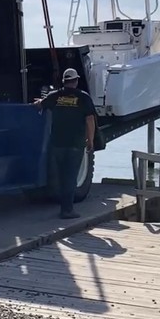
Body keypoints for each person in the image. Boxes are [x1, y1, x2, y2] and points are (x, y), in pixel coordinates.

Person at [33, 68, 96, 219]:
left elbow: (40, 105)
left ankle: (65, 208)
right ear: (75, 81)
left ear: (63, 81)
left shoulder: (55, 96)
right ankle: (67, 210)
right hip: (75, 144)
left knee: (62, 176)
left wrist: (37, 102)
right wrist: (90, 139)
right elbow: (90, 120)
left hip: (57, 144)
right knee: (71, 176)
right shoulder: (83, 98)